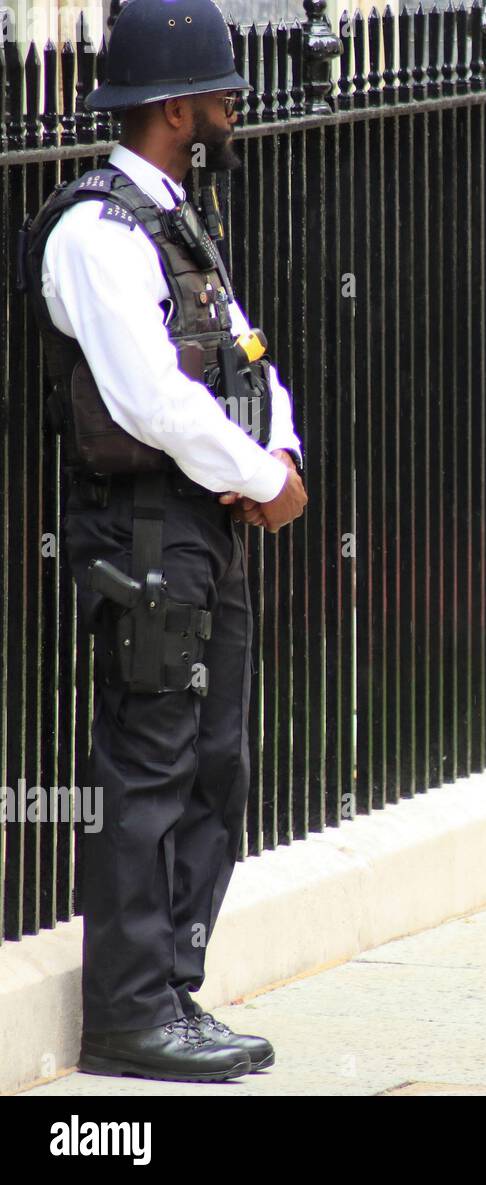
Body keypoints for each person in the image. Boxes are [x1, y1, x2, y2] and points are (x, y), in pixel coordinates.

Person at [19, 0, 307, 1080]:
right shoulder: (96, 234)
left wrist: (280, 455)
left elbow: (246, 359)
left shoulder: (176, 219)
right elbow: (151, 400)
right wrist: (256, 476)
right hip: (146, 530)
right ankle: (132, 1014)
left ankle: (174, 991)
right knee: (149, 768)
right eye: (224, 93)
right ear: (177, 107)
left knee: (213, 763)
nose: (236, 108)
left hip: (203, 522)